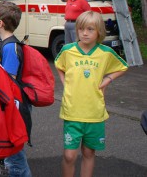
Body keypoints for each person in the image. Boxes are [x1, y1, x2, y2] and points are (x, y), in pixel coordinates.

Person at [55, 11, 128, 177]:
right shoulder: (68, 50)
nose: (84, 33)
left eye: (90, 29)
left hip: (94, 112)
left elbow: (123, 67)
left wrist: (108, 79)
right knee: (69, 155)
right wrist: (65, 83)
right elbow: (59, 65)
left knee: (88, 153)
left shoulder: (105, 53)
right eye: (81, 29)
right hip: (72, 110)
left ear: (99, 32)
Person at [0, 1, 31, 177]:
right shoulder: (5, 44)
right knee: (12, 156)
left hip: (13, 108)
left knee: (15, 158)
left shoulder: (10, 47)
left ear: (0, 23)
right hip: (12, 106)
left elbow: (9, 83)